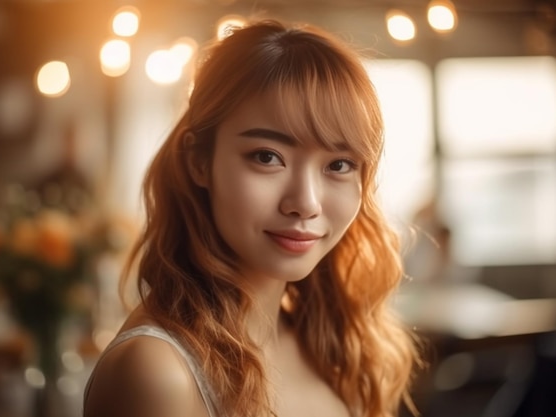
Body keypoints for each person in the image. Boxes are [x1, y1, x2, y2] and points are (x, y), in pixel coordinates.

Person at [83, 19, 420, 417]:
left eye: (340, 164)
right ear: (199, 162)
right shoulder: (158, 372)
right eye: (267, 157)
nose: (305, 203)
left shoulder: (335, 347)